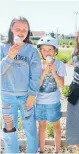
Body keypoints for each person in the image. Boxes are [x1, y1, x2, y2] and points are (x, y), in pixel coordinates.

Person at [0, 16, 41, 153]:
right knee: (9, 128)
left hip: (26, 97)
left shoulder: (32, 50)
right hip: (7, 97)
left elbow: (35, 75)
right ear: (11, 29)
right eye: (18, 28)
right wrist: (9, 57)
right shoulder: (3, 48)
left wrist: (32, 95)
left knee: (30, 128)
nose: (21, 32)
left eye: (25, 29)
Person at [36, 36, 67, 153]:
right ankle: (41, 150)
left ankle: (57, 150)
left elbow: (62, 85)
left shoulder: (59, 65)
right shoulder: (37, 65)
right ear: (40, 51)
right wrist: (44, 72)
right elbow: (36, 86)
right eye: (44, 49)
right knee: (42, 127)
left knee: (56, 127)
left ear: (55, 51)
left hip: (53, 102)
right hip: (40, 102)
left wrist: (53, 71)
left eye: (50, 49)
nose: (47, 52)